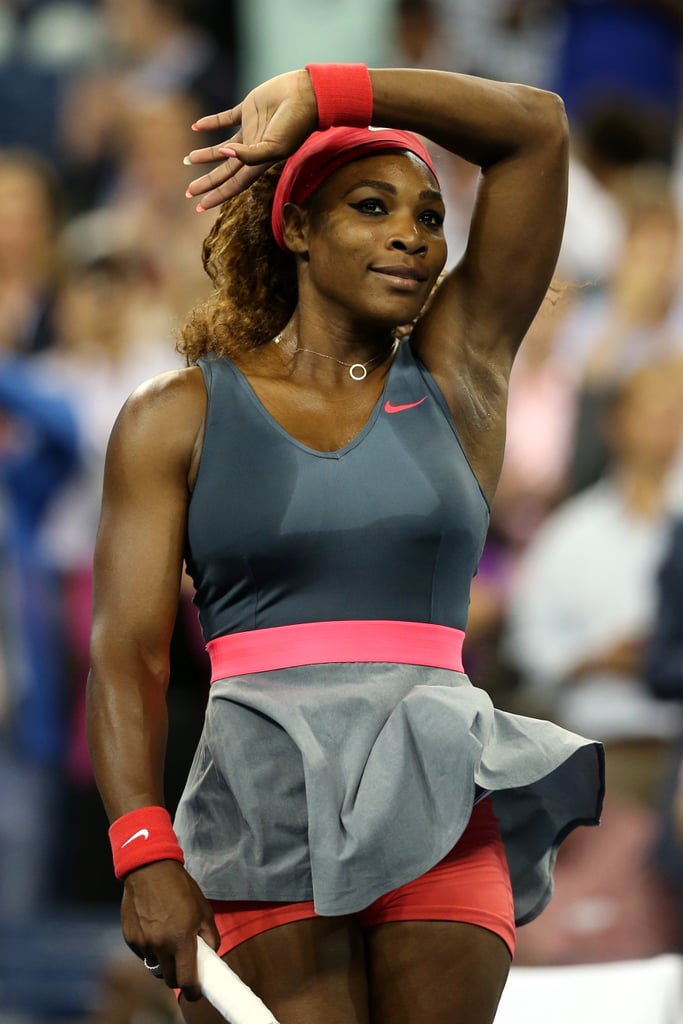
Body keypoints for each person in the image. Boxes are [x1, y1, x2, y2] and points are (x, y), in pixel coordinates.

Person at [86, 63, 604, 1024]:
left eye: (430, 217)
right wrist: (143, 849)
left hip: (441, 789)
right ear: (295, 229)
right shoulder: (175, 414)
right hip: (257, 795)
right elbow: (126, 656)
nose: (412, 234)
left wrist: (332, 93)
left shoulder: (462, 377)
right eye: (372, 207)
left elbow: (535, 126)